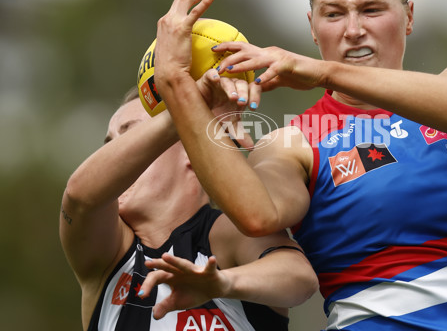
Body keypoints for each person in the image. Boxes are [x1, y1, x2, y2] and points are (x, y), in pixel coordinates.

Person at [153, 0, 447, 330]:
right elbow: (256, 214)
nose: (353, 30)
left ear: (408, 16)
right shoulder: (296, 141)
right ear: (312, 26)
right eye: (334, 14)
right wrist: (176, 86)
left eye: (372, 9)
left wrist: (323, 72)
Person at [59, 85, 318, 331]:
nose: (118, 154)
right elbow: (80, 198)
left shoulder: (227, 232)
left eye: (133, 135)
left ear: (192, 152)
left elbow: (300, 277)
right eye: (110, 145)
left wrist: (223, 284)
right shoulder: (109, 254)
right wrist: (185, 109)